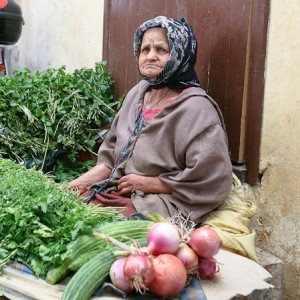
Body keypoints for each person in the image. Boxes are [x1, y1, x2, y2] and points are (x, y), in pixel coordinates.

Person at [68, 16, 232, 224]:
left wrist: (151, 183)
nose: (150, 57)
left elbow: (210, 179)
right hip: (123, 190)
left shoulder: (197, 109)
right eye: (145, 50)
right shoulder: (137, 95)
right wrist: (75, 185)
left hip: (165, 199)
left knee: (108, 225)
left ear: (181, 55)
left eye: (161, 50)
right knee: (76, 208)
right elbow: (112, 160)